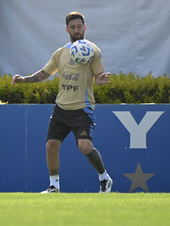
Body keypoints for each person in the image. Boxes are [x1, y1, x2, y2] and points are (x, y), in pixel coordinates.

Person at [12, 11, 113, 193]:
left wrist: (101, 80)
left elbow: (98, 78)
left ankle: (104, 178)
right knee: (51, 145)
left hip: (82, 109)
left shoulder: (93, 52)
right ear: (67, 29)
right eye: (72, 27)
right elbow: (44, 74)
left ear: (85, 28)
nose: (76, 30)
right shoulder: (61, 53)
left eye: (79, 27)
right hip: (61, 109)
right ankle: (54, 186)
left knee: (85, 147)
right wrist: (24, 80)